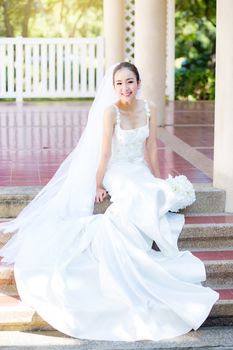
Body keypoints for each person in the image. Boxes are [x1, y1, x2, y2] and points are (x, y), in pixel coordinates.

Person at [0, 62, 218, 342]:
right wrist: (99, 183)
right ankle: (127, 254)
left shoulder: (149, 108)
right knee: (135, 195)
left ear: (138, 83)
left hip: (139, 169)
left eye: (129, 81)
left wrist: (157, 177)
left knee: (153, 192)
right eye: (119, 83)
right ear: (113, 87)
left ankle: (141, 237)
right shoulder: (110, 112)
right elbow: (104, 152)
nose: (125, 88)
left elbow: (151, 147)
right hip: (118, 171)